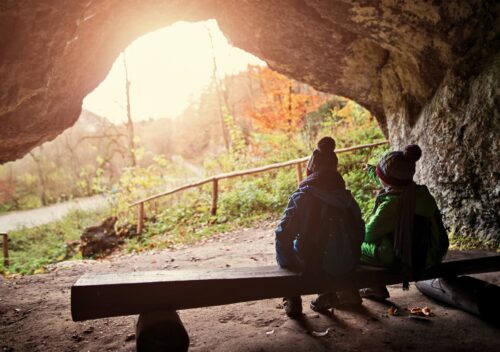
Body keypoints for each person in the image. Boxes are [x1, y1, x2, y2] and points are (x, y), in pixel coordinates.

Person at [275, 137, 365, 317]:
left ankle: (292, 297)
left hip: (312, 264)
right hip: (348, 261)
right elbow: (360, 232)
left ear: (310, 170)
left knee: (287, 248)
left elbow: (283, 235)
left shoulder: (303, 197)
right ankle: (334, 292)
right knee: (330, 250)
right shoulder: (347, 197)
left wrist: (289, 261)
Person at [360, 144, 449, 300]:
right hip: (433, 253)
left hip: (407, 259)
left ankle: (373, 286)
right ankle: (376, 287)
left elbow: (367, 235)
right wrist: (371, 170)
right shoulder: (421, 194)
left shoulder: (391, 205)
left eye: (379, 175)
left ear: (386, 180)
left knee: (355, 245)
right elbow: (388, 178)